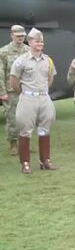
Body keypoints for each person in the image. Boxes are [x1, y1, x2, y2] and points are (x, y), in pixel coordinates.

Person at [9, 28, 57, 173]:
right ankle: (25, 163)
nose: (40, 44)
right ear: (29, 42)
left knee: (45, 129)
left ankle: (45, 161)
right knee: (25, 131)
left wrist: (42, 92)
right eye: (37, 41)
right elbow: (13, 82)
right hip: (28, 98)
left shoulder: (47, 60)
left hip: (43, 97)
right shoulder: (21, 61)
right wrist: (24, 93)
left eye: (41, 41)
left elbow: (50, 78)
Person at [0, 25, 30, 155]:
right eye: (17, 36)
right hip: (11, 91)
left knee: (27, 118)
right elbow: (0, 73)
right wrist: (2, 92)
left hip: (27, 90)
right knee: (12, 118)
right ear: (11, 35)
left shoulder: (29, 51)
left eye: (22, 36)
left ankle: (24, 143)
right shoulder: (4, 52)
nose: (20, 38)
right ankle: (13, 143)